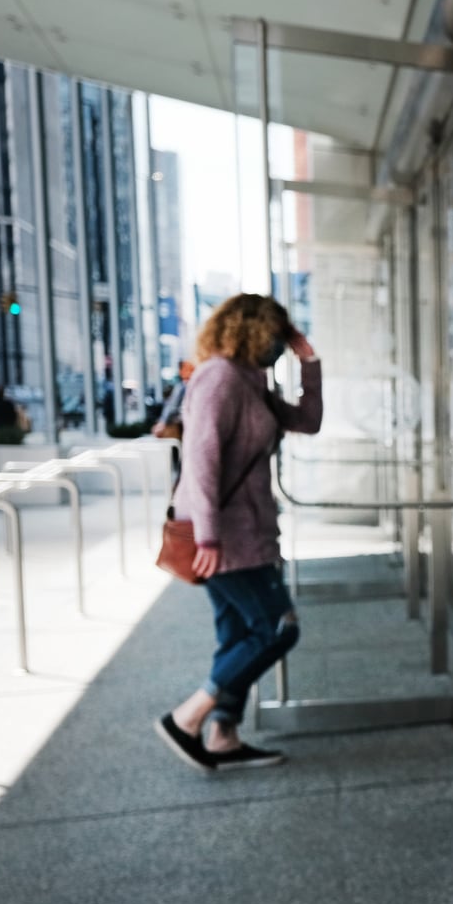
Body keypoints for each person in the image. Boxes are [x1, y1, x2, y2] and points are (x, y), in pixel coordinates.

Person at [154, 295, 322, 771]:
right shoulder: (220, 378)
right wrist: (207, 537)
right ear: (249, 330)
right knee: (276, 628)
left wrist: (308, 362)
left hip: (245, 531)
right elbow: (201, 461)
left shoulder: (250, 381)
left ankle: (223, 735)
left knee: (237, 635)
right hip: (224, 537)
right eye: (274, 334)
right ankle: (190, 716)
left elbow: (308, 421)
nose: (278, 345)